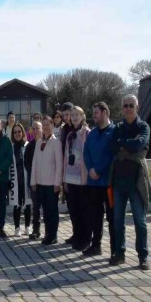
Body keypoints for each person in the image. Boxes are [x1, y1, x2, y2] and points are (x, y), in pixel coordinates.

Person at [109, 95, 150, 270]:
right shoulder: (118, 127)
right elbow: (112, 146)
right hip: (118, 182)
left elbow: (139, 145)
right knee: (117, 220)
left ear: (137, 107)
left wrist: (123, 145)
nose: (128, 108)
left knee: (140, 222)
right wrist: (127, 145)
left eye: (131, 105)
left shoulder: (143, 126)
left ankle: (143, 256)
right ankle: (120, 253)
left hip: (136, 182)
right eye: (125, 105)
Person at [82, 102, 115, 257]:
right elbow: (86, 153)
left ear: (104, 112)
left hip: (109, 183)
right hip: (93, 183)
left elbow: (111, 155)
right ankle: (96, 246)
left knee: (112, 216)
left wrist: (99, 170)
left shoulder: (114, 132)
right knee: (95, 216)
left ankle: (115, 249)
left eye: (96, 112)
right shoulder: (93, 133)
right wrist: (90, 169)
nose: (93, 115)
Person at [30, 116, 63, 245]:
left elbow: (59, 164)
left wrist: (57, 183)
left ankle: (53, 235)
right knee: (44, 211)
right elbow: (34, 164)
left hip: (51, 184)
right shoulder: (38, 143)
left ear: (52, 126)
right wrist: (33, 181)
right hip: (40, 183)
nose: (46, 127)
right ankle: (47, 233)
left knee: (52, 211)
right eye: (44, 125)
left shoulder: (56, 142)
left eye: (48, 124)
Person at [63, 106, 90, 251]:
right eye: (72, 115)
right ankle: (77, 236)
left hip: (82, 179)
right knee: (73, 211)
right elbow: (66, 158)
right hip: (70, 178)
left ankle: (85, 239)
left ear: (82, 116)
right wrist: (64, 178)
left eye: (77, 115)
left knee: (83, 211)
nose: (74, 117)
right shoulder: (69, 135)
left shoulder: (87, 133)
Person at [10, 123, 32, 237]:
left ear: (23, 132)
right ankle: (17, 227)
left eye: (19, 131)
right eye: (15, 132)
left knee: (28, 204)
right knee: (16, 204)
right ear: (13, 134)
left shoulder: (28, 145)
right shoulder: (11, 147)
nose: (17, 133)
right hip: (16, 180)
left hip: (27, 179)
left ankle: (27, 226)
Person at [25, 121, 43, 240]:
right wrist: (34, 177)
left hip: (47, 180)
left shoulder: (47, 143)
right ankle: (36, 230)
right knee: (35, 207)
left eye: (38, 128)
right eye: (34, 128)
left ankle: (50, 231)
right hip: (34, 181)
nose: (36, 130)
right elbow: (27, 163)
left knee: (47, 207)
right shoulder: (30, 146)